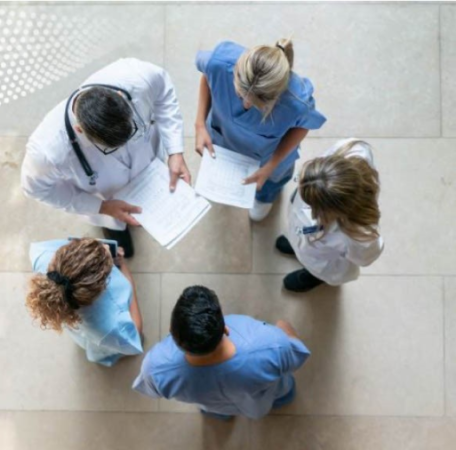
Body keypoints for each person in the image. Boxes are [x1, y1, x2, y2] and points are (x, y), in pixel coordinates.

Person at [21, 58, 189, 258]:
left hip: (150, 169)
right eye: (110, 148)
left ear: (121, 97)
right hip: (107, 199)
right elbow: (36, 189)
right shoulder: (47, 151)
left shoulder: (135, 76)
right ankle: (117, 231)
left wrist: (175, 150)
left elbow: (164, 92)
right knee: (116, 229)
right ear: (79, 129)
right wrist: (101, 207)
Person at [194, 39, 326, 222]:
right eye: (240, 95)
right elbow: (208, 76)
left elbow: (304, 125)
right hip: (223, 139)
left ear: (278, 97)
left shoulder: (297, 103)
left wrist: (271, 165)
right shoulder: (219, 62)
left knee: (271, 182)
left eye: (256, 104)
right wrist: (200, 124)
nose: (246, 104)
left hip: (269, 158)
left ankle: (264, 198)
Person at [132, 285, 310, 419]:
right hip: (258, 402)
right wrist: (285, 329)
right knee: (281, 394)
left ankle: (222, 416)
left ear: (171, 331)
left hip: (214, 405)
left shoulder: (155, 368)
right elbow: (297, 356)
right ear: (225, 329)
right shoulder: (272, 345)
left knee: (216, 411)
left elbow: (149, 389)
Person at [276, 138, 384, 292]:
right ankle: (296, 245)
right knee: (299, 236)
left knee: (315, 264)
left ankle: (314, 276)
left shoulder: (361, 236)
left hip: (322, 260)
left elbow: (363, 258)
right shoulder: (351, 150)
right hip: (304, 230)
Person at [26, 238, 143, 366]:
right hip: (101, 338)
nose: (106, 246)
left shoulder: (42, 255)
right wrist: (125, 272)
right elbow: (135, 331)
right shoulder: (110, 325)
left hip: (80, 330)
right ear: (101, 288)